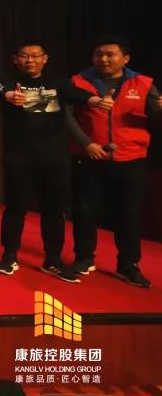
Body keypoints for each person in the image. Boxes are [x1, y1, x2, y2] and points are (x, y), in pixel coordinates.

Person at [0, 39, 102, 281]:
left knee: (54, 211)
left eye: (35, 55)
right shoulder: (7, 80)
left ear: (45, 59)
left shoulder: (57, 81)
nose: (30, 60)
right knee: (15, 209)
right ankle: (9, 256)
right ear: (15, 59)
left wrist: (97, 101)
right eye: (24, 55)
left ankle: (53, 260)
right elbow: (6, 92)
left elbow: (76, 94)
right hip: (18, 157)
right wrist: (12, 97)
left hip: (54, 158)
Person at [67, 36, 161, 288]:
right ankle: (84, 258)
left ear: (125, 58)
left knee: (129, 213)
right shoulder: (78, 81)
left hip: (131, 158)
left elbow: (156, 118)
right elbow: (66, 116)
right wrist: (86, 144)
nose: (104, 59)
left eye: (110, 54)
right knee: (84, 210)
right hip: (90, 156)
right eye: (99, 54)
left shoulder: (143, 83)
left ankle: (128, 265)